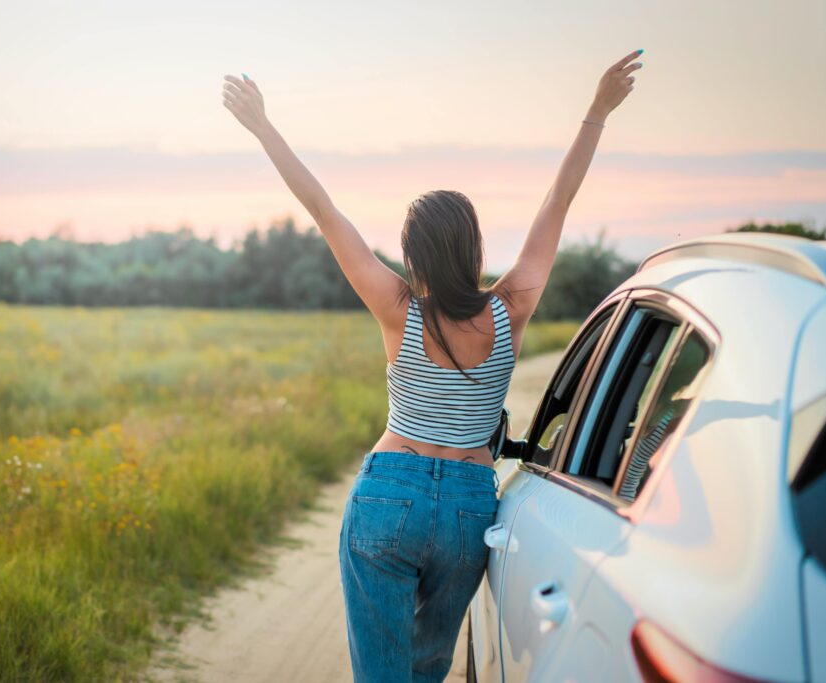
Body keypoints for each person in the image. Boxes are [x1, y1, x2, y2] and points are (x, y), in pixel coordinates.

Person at [221, 49, 642, 682]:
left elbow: (324, 210)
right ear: (474, 247)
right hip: (471, 508)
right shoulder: (512, 310)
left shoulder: (397, 309)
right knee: (426, 672)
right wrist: (597, 110)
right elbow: (556, 204)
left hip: (390, 491)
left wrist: (262, 127)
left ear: (411, 254)